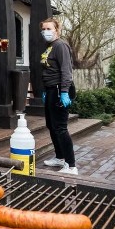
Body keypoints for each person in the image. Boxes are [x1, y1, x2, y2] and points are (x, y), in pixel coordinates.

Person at [39, 17, 78, 175]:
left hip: (59, 90)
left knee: (60, 128)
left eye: (49, 29)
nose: (46, 32)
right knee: (51, 125)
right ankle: (60, 157)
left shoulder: (60, 45)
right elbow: (49, 70)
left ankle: (71, 165)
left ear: (57, 30)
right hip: (50, 89)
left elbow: (66, 71)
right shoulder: (50, 46)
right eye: (43, 29)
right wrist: (45, 89)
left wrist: (63, 92)